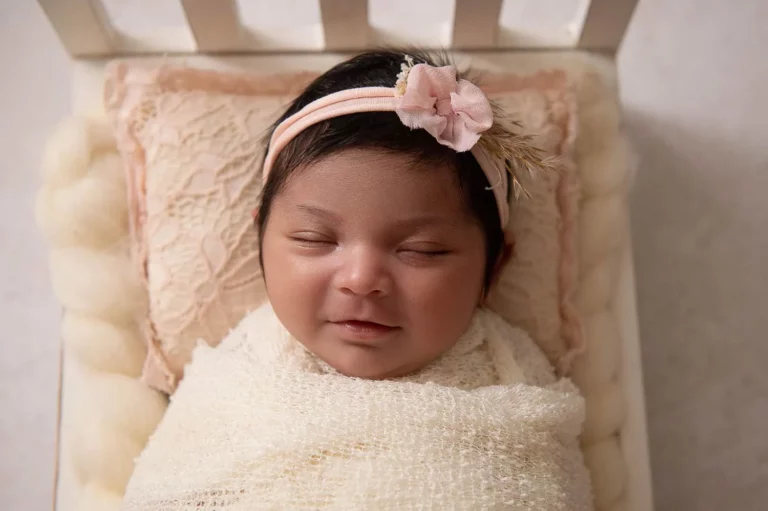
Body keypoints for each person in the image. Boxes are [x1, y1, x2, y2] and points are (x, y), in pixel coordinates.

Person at [122, 50, 591, 510]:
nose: (362, 280)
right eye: (314, 239)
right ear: (259, 239)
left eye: (421, 250)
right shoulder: (234, 381)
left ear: (494, 266)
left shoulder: (511, 388)